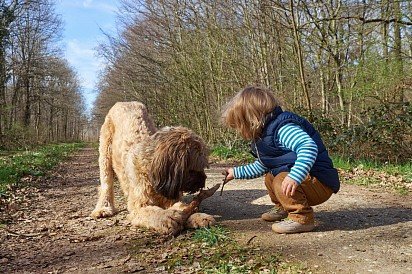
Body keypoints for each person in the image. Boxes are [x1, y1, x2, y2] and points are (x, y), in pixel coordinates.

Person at [220, 85, 340, 234]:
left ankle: (302, 217)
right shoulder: (263, 136)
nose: (239, 131)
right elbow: (262, 165)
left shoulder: (283, 127)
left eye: (239, 125)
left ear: (251, 119)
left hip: (320, 182)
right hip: (306, 181)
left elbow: (308, 147)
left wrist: (295, 176)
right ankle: (283, 207)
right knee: (270, 177)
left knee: (281, 179)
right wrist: (236, 172)